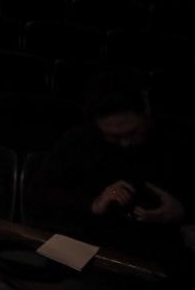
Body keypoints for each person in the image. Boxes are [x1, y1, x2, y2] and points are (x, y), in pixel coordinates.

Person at [27, 71, 193, 269]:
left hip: (158, 255)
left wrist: (181, 211)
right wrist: (92, 204)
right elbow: (40, 195)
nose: (124, 143)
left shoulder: (177, 142)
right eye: (113, 137)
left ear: (146, 112)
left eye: (133, 133)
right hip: (91, 248)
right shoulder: (77, 142)